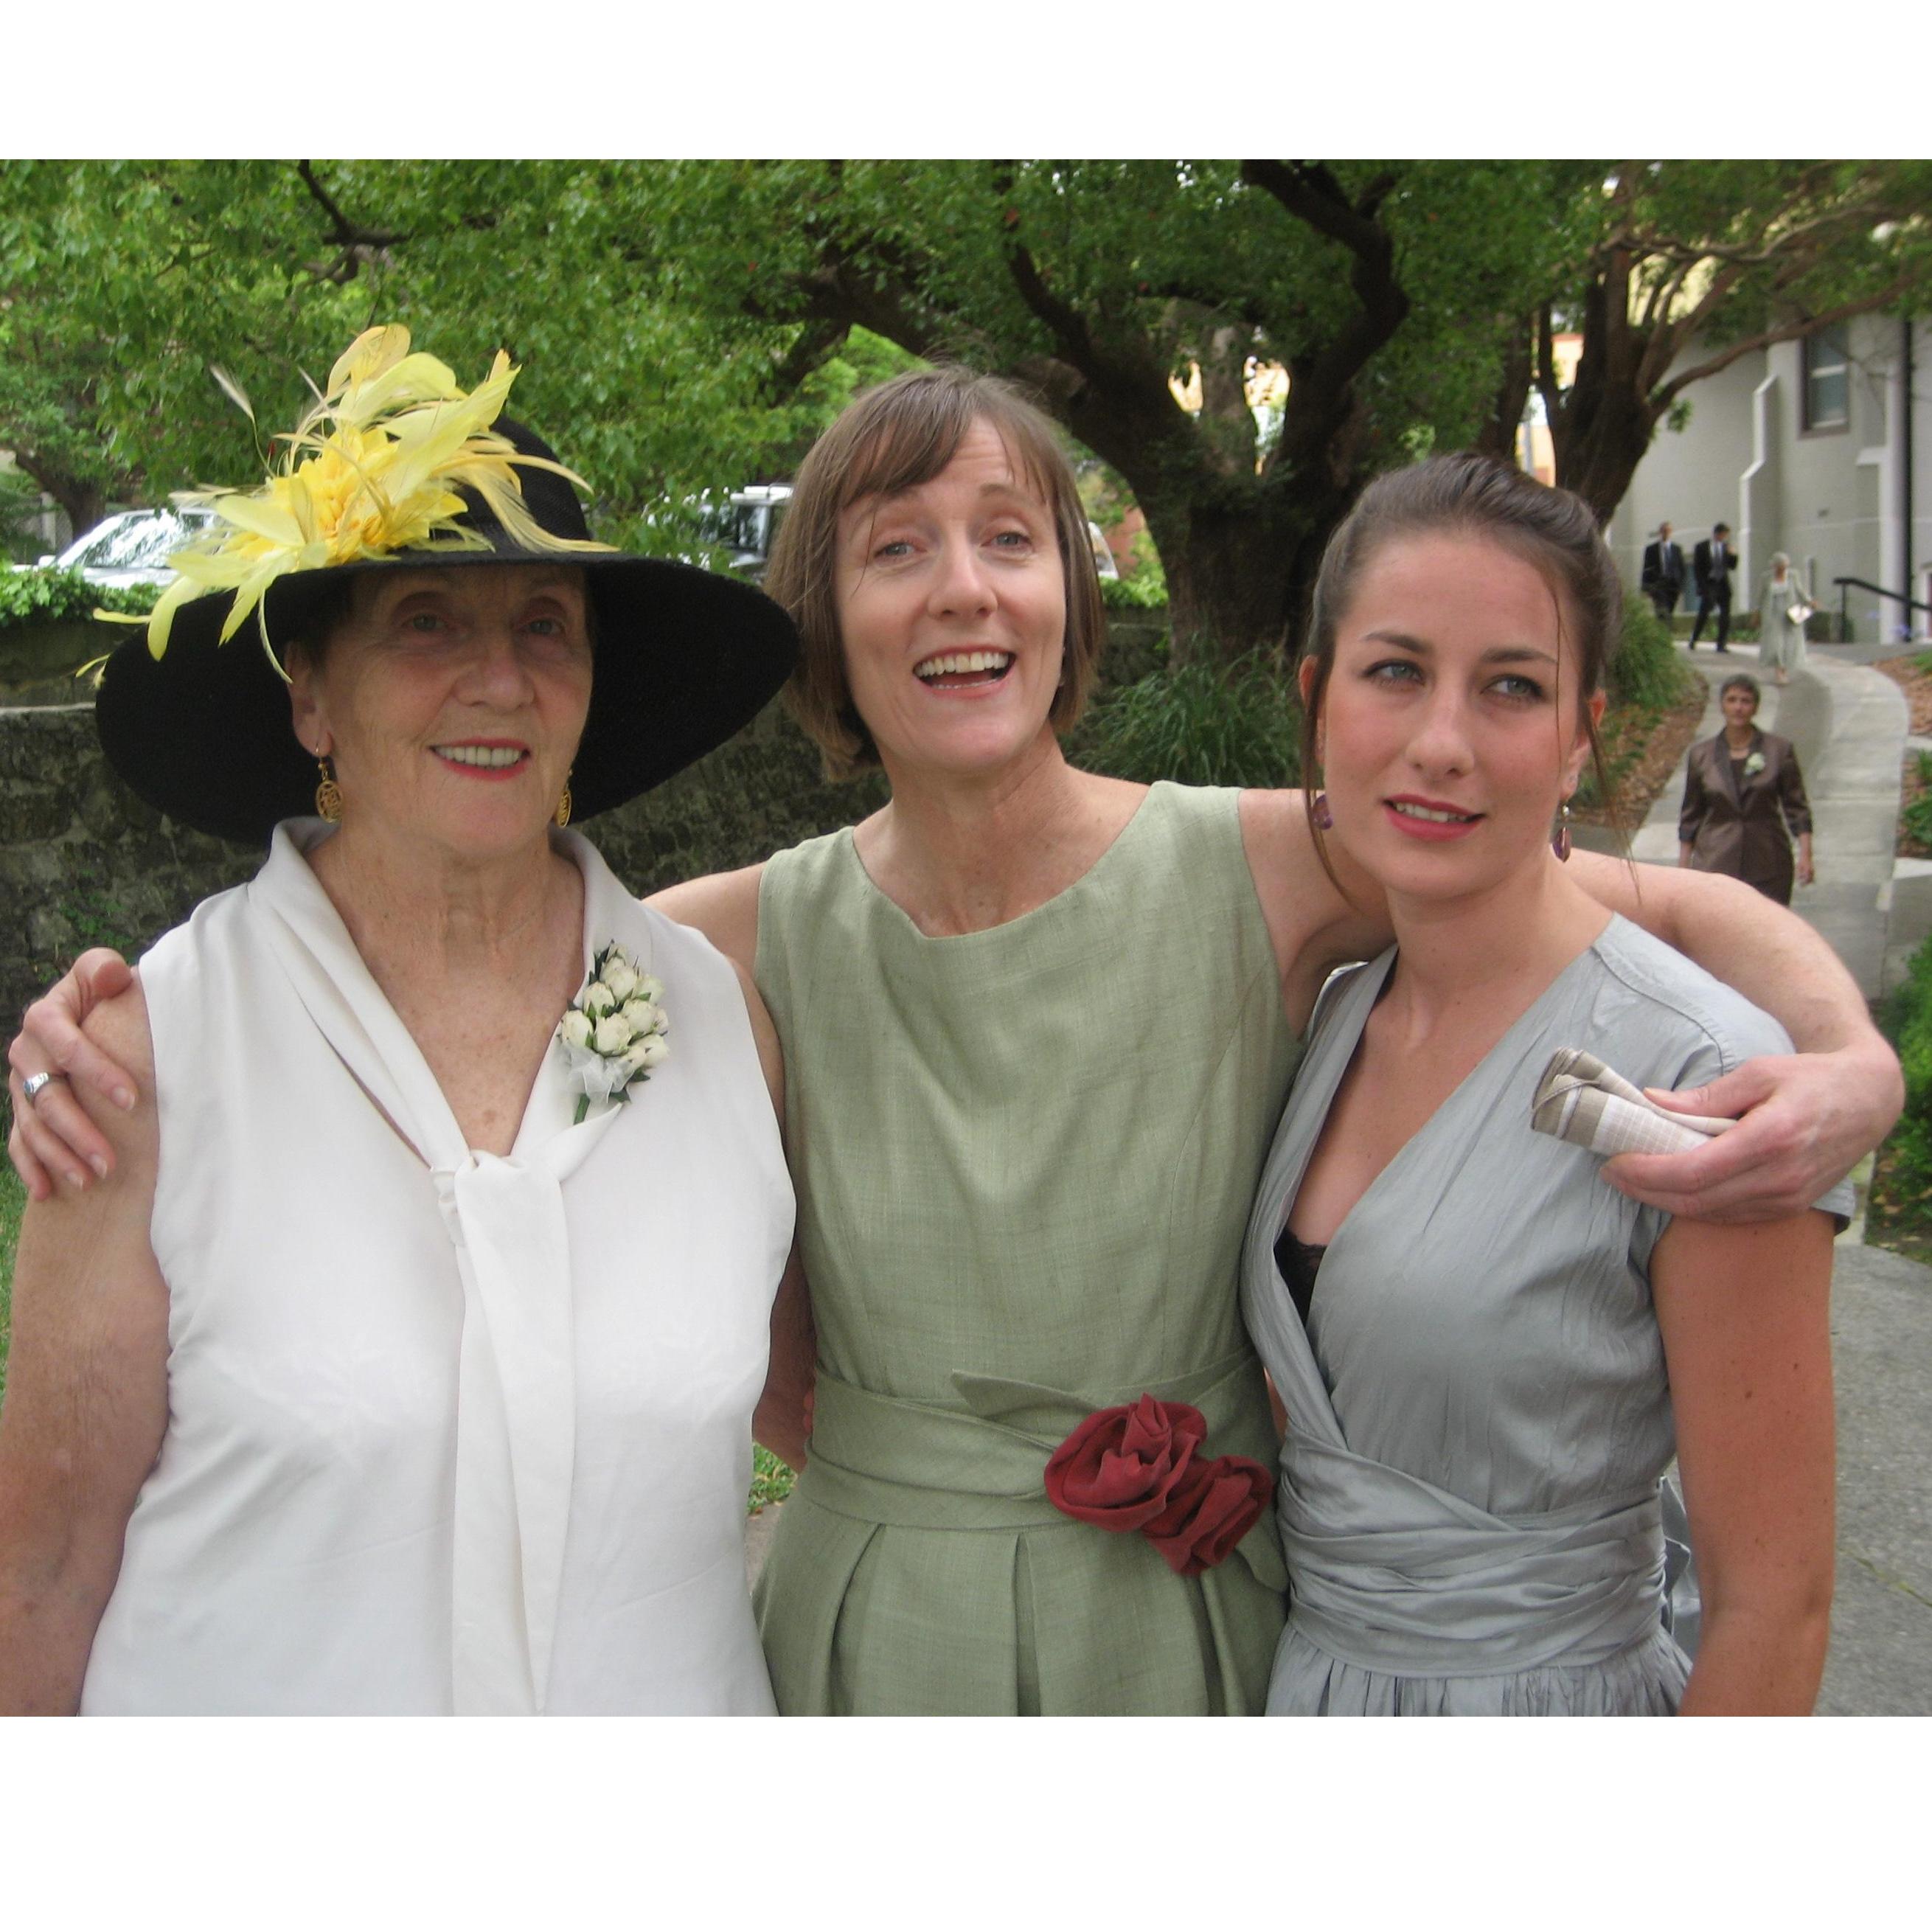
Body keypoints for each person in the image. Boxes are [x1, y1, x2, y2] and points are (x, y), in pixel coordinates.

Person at [9, 369, 1901, 1717]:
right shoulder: (708, 953)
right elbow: (473, 1076)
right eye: (897, 545)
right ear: (829, 613)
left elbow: (1605, 903)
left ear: (1073, 593)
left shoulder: (1262, 863)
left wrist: (1847, 1055)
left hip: (1193, 1625)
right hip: (870, 1632)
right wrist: (145, 1024)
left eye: (1010, 536)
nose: (963, 586)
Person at [0, 326, 800, 1714]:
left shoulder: (716, 1021)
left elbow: (813, 1406)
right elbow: (46, 1571)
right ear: (310, 692)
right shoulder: (148, 1057)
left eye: (544, 627)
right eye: (424, 620)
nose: (497, 680)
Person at [1242, 455, 1843, 1714]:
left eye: (1511, 687)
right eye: (1395, 671)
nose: (1442, 742)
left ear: (1584, 739)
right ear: (1317, 703)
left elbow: (1774, 1608)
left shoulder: (1706, 1074)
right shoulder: (1340, 1011)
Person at [1678, 673, 1815, 905]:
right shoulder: (1701, 755)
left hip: (1767, 859)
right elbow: (1691, 813)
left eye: (1746, 701)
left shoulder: (1779, 750)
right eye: (1732, 700)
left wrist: (1806, 854)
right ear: (1722, 706)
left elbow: (1797, 806)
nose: (1738, 708)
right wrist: (1683, 866)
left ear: (1756, 707)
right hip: (1716, 860)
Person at [1758, 552, 1813, 686]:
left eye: (1784, 566)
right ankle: (1779, 671)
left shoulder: (1793, 575)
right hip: (1772, 614)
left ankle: (1784, 670)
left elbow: (1800, 591)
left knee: (1789, 643)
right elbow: (1761, 596)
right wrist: (1757, 612)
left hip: (1790, 613)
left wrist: (1809, 601)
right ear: (1774, 566)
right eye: (1779, 566)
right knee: (1776, 644)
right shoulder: (1766, 577)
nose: (1782, 569)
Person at [1690, 521, 1735, 650]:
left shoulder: (1726, 547)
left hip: (1722, 583)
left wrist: (1733, 554)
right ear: (1717, 534)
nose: (1724, 537)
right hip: (1709, 583)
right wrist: (1701, 586)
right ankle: (1694, 638)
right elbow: (1697, 568)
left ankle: (1721, 643)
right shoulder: (1702, 547)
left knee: (1725, 615)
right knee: (1704, 613)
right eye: (1723, 535)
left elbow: (1732, 566)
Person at [1641, 520, 1683, 623]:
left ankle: (1667, 632)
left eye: (1668, 531)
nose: (1666, 533)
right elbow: (1647, 568)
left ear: (1671, 532)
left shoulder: (1676, 549)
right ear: (1660, 532)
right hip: (1658, 585)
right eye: (1664, 531)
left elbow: (1682, 568)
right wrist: (1646, 587)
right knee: (1661, 610)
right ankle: (1664, 633)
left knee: (1670, 610)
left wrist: (1681, 585)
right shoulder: (1651, 549)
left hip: (1673, 585)